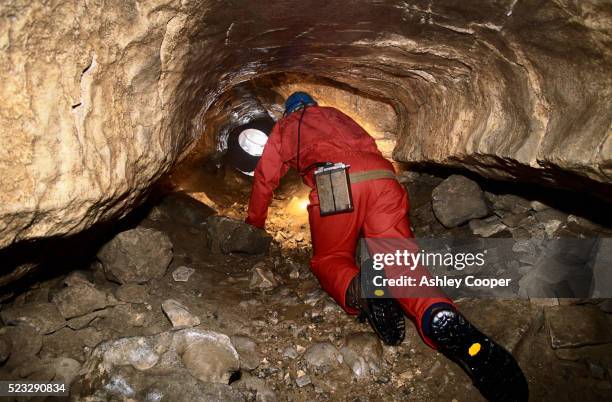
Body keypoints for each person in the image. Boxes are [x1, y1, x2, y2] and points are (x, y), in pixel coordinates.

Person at [245, 91, 528, 401]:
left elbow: (264, 177)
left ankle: (364, 290)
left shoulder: (287, 127)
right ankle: (436, 312)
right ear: (313, 103)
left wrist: (254, 225)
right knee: (402, 262)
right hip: (382, 176)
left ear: (289, 111)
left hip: (336, 181)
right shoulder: (338, 115)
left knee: (331, 257)